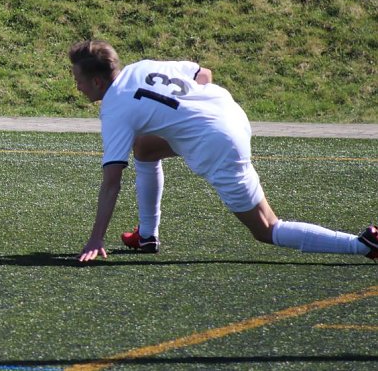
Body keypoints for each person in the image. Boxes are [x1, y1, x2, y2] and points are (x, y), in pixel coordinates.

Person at [68, 39, 378, 263]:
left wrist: (96, 238)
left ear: (96, 81)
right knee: (145, 149)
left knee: (267, 228)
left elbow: (111, 182)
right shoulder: (141, 67)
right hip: (230, 113)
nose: (77, 87)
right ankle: (147, 236)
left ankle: (362, 244)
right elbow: (204, 74)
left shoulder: (114, 110)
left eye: (78, 80)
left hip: (219, 143)